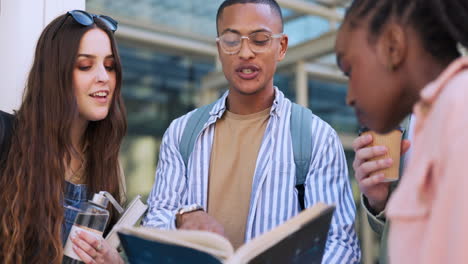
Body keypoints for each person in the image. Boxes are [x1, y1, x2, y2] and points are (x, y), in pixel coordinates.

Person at [143, 0, 360, 262]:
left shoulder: (317, 138)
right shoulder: (181, 133)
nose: (245, 52)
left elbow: (339, 243)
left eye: (259, 40)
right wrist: (182, 218)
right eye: (232, 40)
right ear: (219, 48)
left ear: (281, 47)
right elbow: (153, 224)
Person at [335, 0, 468, 263]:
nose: (349, 97)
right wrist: (381, 202)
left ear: (392, 46)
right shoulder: (430, 119)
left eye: (350, 71)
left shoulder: (459, 109)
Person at [0, 10, 127, 264]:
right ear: (55, 74)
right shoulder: (6, 135)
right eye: (85, 65)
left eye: (110, 66)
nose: (104, 77)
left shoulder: (107, 165)